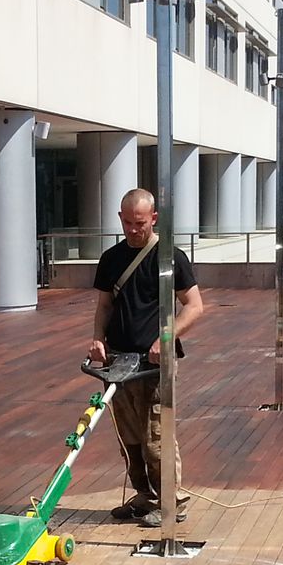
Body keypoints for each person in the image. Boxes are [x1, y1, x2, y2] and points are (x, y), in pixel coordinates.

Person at [87, 189, 204, 526]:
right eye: (127, 223)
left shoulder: (170, 258)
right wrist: (98, 339)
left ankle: (171, 502)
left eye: (139, 223)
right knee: (130, 439)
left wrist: (165, 338)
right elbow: (104, 306)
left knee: (156, 437)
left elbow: (195, 306)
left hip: (153, 365)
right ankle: (145, 496)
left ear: (153, 218)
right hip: (118, 363)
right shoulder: (111, 258)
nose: (132, 229)